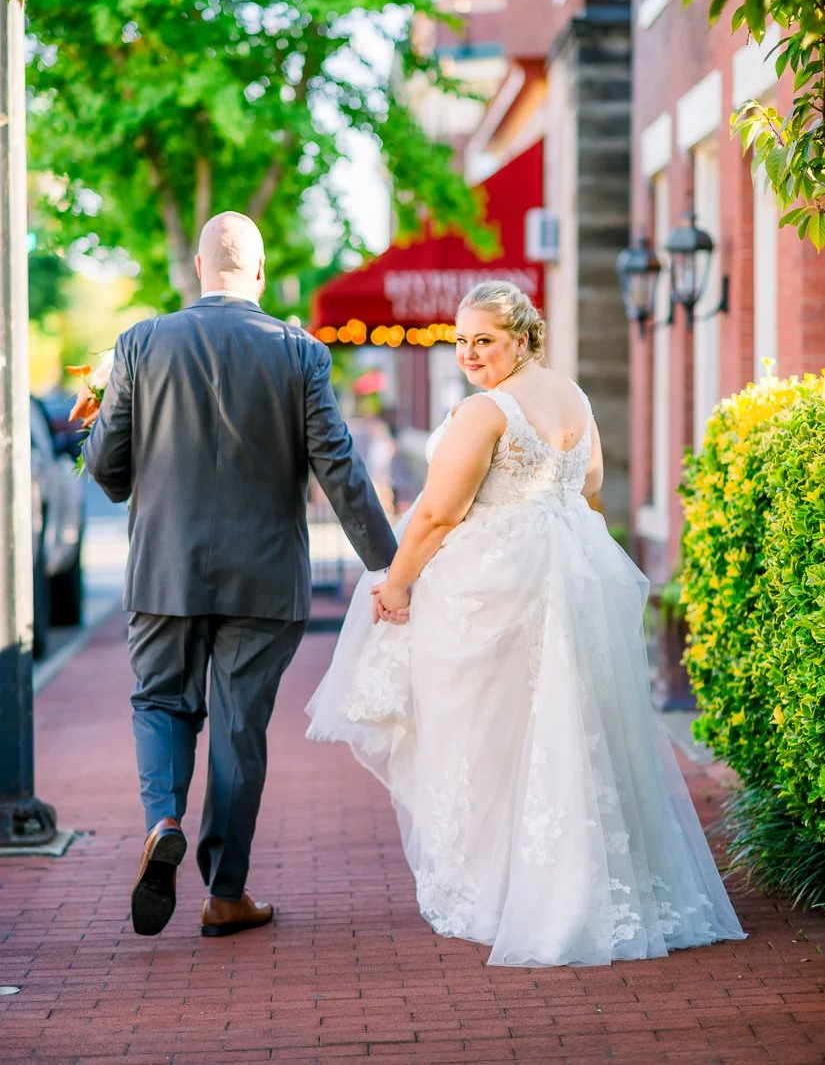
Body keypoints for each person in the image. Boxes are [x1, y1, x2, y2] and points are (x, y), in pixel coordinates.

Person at [307, 280, 745, 967]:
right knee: (567, 729)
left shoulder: (486, 412)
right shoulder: (573, 397)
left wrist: (395, 584)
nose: (470, 354)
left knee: (489, 735)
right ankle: (573, 883)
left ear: (521, 337)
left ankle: (509, 889)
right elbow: (590, 483)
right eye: (460, 341)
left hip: (495, 591)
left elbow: (434, 515)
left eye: (484, 340)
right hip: (566, 575)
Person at [83, 211, 397, 938]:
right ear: (257, 274)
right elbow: (338, 468)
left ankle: (163, 817)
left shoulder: (141, 343)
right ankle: (225, 895)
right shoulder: (299, 352)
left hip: (165, 571)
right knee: (238, 729)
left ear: (199, 266)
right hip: (265, 579)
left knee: (160, 701)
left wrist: (104, 425)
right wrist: (389, 565)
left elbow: (106, 469)